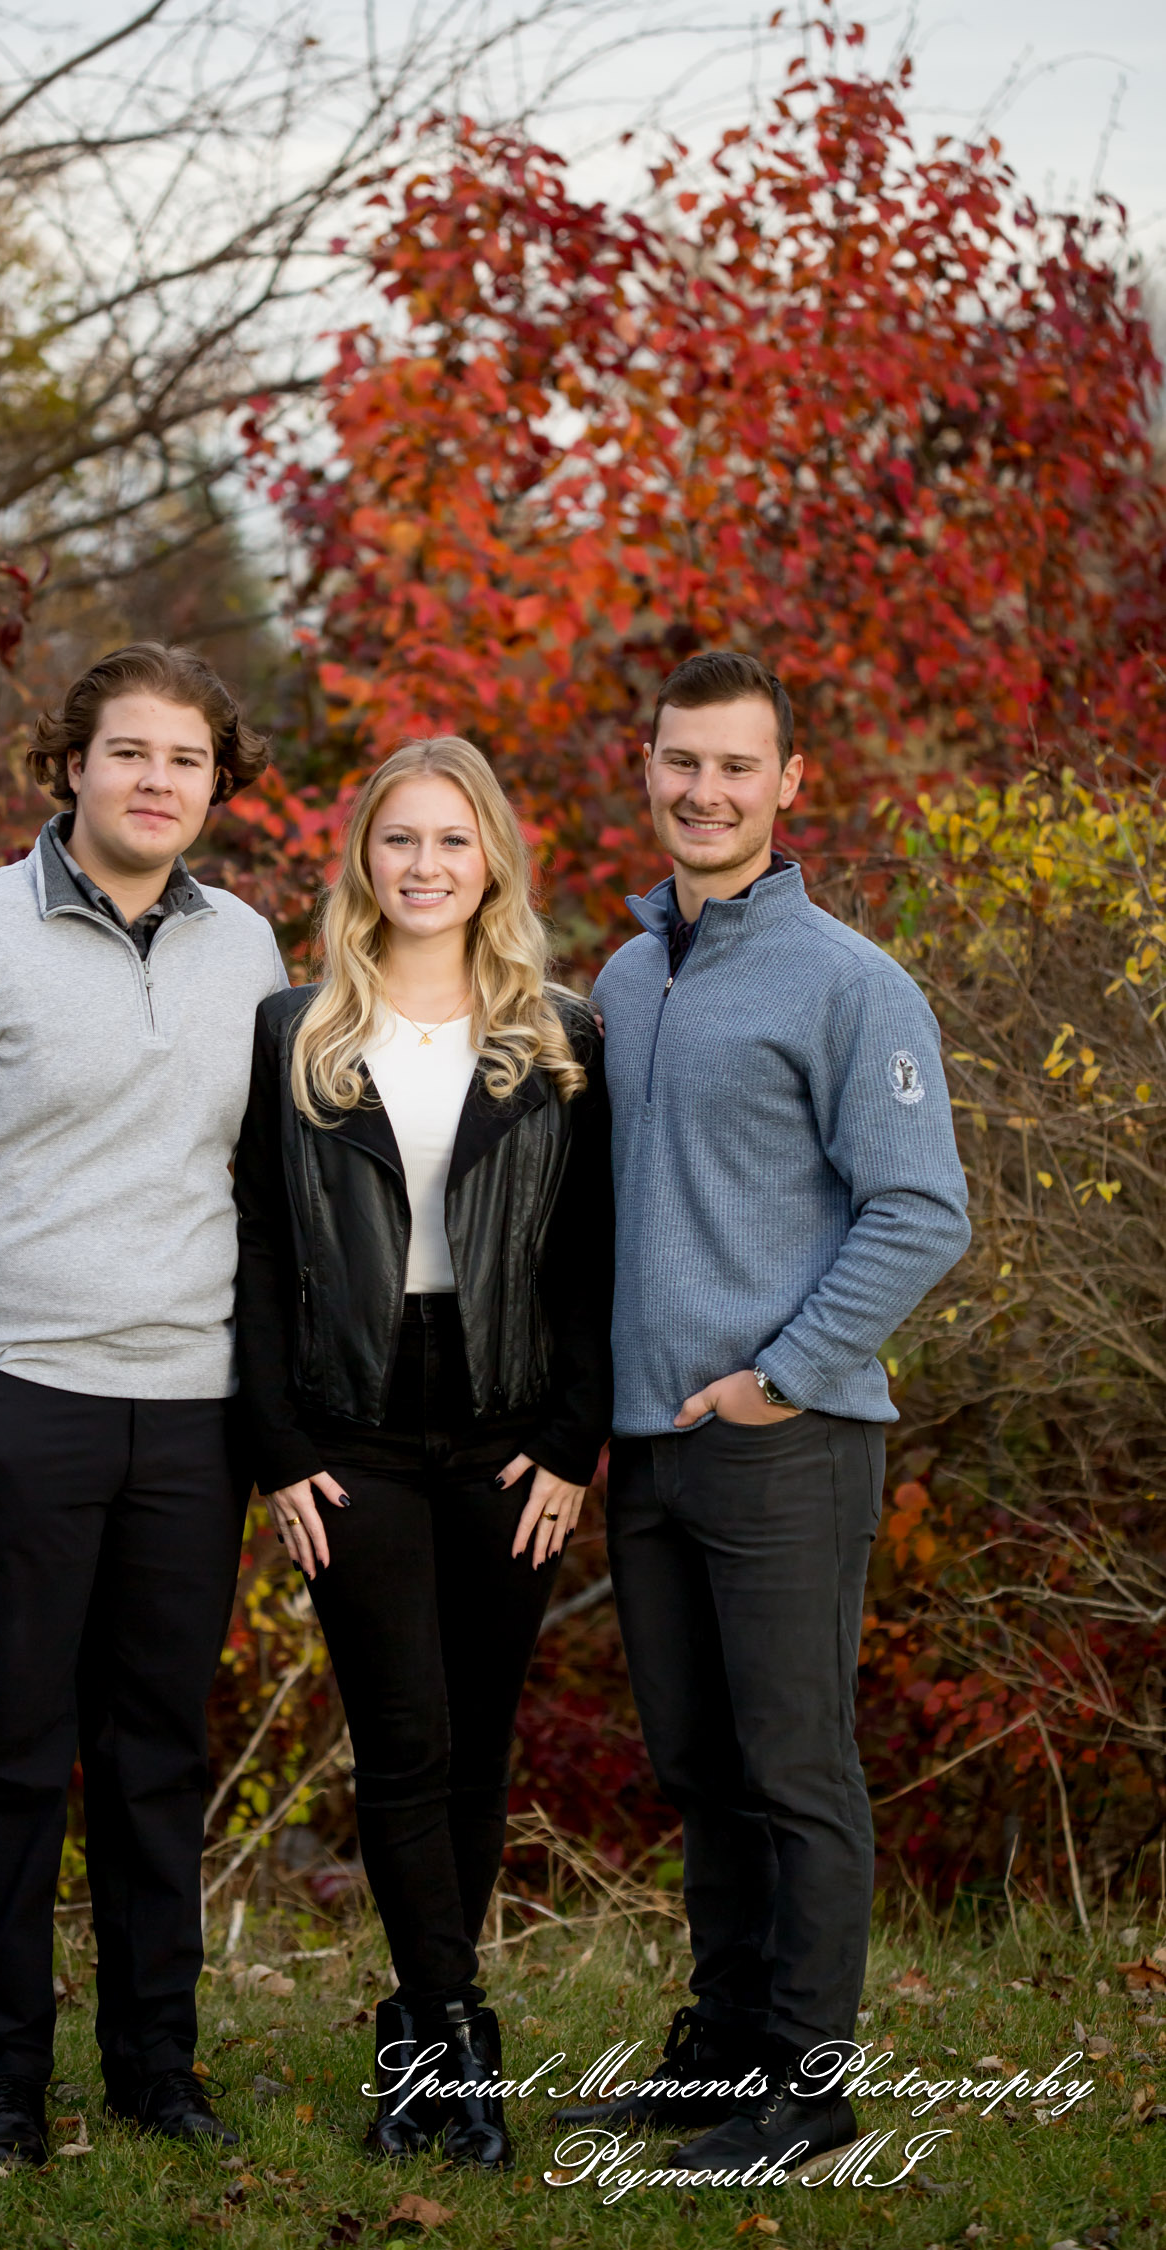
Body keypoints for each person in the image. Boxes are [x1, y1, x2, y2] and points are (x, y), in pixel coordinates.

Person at [0, 643, 286, 2166]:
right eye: (129, 752)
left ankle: (159, 2063)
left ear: (216, 786)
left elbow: (258, 1178)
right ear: (70, 767)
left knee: (159, 1749)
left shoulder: (248, 947)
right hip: (17, 1401)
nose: (157, 781)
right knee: (10, 1752)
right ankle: (5, 2079)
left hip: (192, 1413)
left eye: (186, 760)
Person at [556, 650, 970, 2175]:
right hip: (653, 1447)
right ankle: (722, 2056)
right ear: (646, 767)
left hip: (789, 1437)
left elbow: (923, 1212)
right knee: (699, 1768)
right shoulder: (620, 975)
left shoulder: (854, 981)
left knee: (795, 1764)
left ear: (790, 783)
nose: (706, 790)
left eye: (738, 767)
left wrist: (780, 1374)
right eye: (683, 762)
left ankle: (810, 2090)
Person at [233, 736, 611, 2172]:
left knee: (479, 1743)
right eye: (402, 840)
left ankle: (425, 2024)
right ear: (364, 860)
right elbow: (264, 1244)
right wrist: (273, 1441)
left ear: (494, 858)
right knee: (402, 1732)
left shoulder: (564, 1031)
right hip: (353, 1430)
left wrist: (574, 1437)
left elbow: (591, 1257)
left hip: (514, 1425)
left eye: (454, 840)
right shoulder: (296, 1029)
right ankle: (450, 2045)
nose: (427, 865)